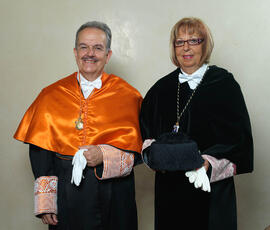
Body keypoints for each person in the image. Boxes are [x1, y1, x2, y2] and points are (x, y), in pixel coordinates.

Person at [14, 21, 142, 230]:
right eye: (84, 47)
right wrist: (46, 203)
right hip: (68, 195)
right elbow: (40, 153)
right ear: (75, 52)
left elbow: (139, 152)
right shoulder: (50, 95)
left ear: (108, 55)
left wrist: (103, 155)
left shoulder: (129, 96)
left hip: (116, 195)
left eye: (97, 48)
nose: (89, 53)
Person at [140, 17, 253, 230]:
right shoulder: (160, 89)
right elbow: (145, 136)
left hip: (211, 190)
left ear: (205, 44)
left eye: (193, 40)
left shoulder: (224, 84)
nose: (186, 48)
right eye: (180, 42)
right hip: (170, 192)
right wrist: (155, 156)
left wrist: (209, 164)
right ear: (174, 48)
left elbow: (239, 141)